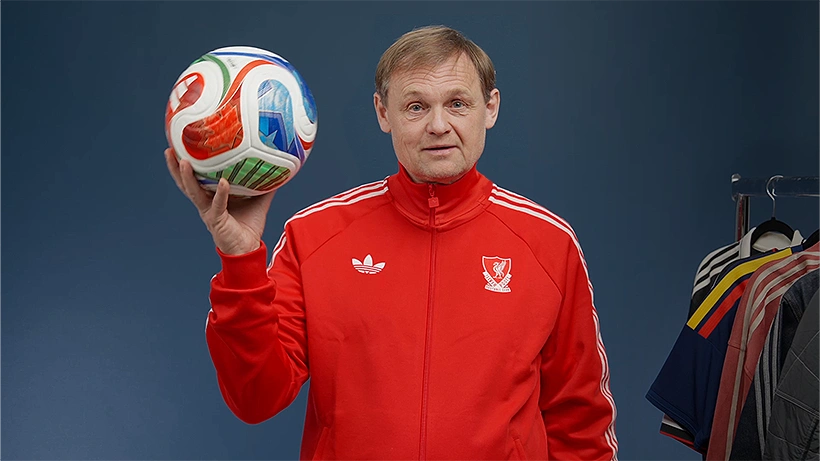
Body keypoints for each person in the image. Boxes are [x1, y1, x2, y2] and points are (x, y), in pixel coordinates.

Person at [166, 25, 618, 460]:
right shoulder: (315, 236)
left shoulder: (548, 244)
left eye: (458, 103)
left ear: (491, 107)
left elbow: (581, 426)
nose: (439, 125)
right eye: (416, 107)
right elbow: (255, 397)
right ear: (384, 113)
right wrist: (241, 259)